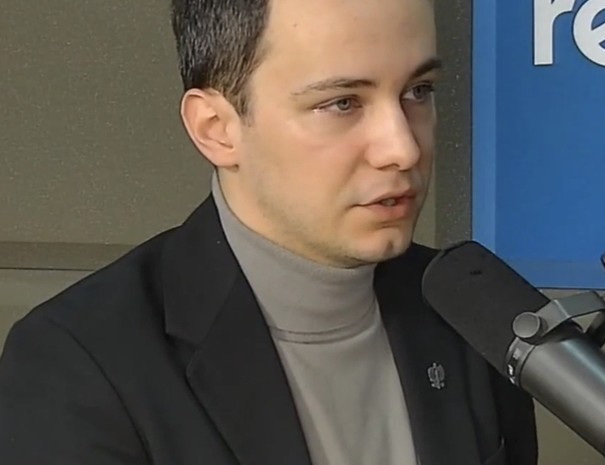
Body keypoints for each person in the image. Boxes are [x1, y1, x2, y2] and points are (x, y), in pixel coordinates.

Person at [0, 0, 538, 464]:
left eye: (418, 91)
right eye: (342, 103)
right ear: (217, 129)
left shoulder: (471, 312)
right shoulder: (79, 365)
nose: (403, 148)